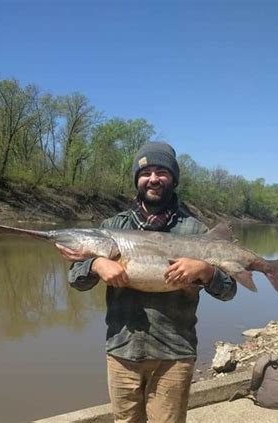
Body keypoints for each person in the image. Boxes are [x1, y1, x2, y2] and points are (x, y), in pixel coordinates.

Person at [56, 142, 236, 423]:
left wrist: (206, 271)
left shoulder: (196, 231)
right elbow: (76, 280)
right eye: (146, 172)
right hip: (121, 350)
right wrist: (95, 263)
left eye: (161, 171)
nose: (153, 178)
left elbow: (229, 291)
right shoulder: (110, 228)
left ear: (173, 179)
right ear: (137, 180)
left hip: (174, 354)